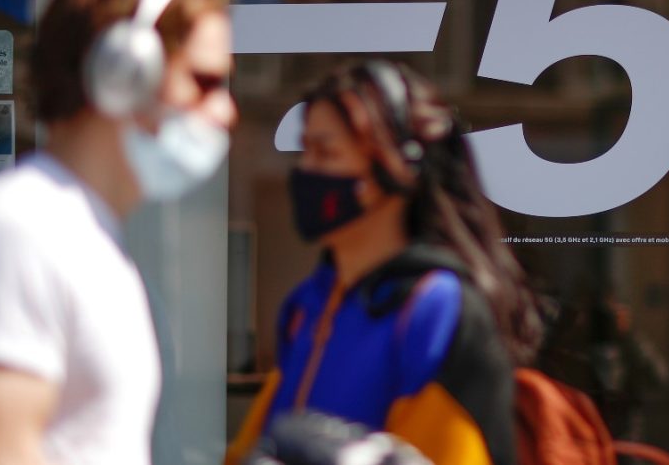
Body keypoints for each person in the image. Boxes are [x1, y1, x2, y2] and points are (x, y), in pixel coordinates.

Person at [0, 0, 236, 465]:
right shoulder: (20, 232)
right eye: (204, 81)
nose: (226, 109)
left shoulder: (83, 237)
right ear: (123, 71)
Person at [226, 60, 542, 465]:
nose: (306, 170)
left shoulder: (436, 310)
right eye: (306, 150)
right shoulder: (306, 306)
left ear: (397, 166)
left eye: (326, 152)